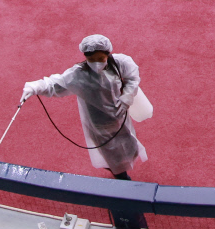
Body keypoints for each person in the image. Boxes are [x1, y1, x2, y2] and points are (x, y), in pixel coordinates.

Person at [21, 34, 147, 180]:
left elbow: (132, 77)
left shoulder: (120, 63)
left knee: (129, 145)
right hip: (98, 124)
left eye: (100, 59)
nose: (96, 64)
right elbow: (55, 84)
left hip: (119, 116)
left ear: (108, 53)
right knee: (110, 153)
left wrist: (127, 97)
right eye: (91, 60)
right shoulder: (79, 74)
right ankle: (121, 177)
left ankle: (120, 166)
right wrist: (35, 87)